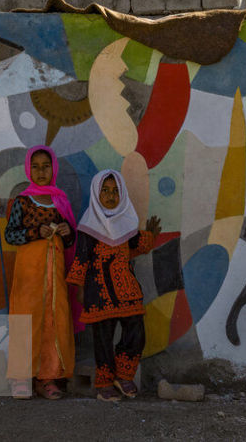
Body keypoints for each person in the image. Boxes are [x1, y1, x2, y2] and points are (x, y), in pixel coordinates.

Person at [67, 170, 161, 402]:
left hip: (127, 289)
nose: (110, 195)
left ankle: (124, 374)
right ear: (96, 194)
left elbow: (135, 245)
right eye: (105, 191)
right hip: (98, 291)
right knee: (103, 338)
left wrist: (149, 236)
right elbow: (81, 257)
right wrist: (79, 288)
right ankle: (104, 383)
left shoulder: (126, 221)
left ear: (122, 194)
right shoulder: (88, 225)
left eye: (115, 191)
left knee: (136, 331)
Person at [4, 146, 77, 399]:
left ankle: (47, 378)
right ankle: (21, 377)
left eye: (46, 165)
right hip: (28, 275)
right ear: (28, 169)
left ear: (53, 168)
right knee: (27, 320)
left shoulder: (60, 200)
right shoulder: (22, 201)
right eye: (35, 166)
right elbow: (10, 235)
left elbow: (70, 242)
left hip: (54, 276)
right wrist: (36, 232)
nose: (41, 171)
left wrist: (68, 233)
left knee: (52, 322)